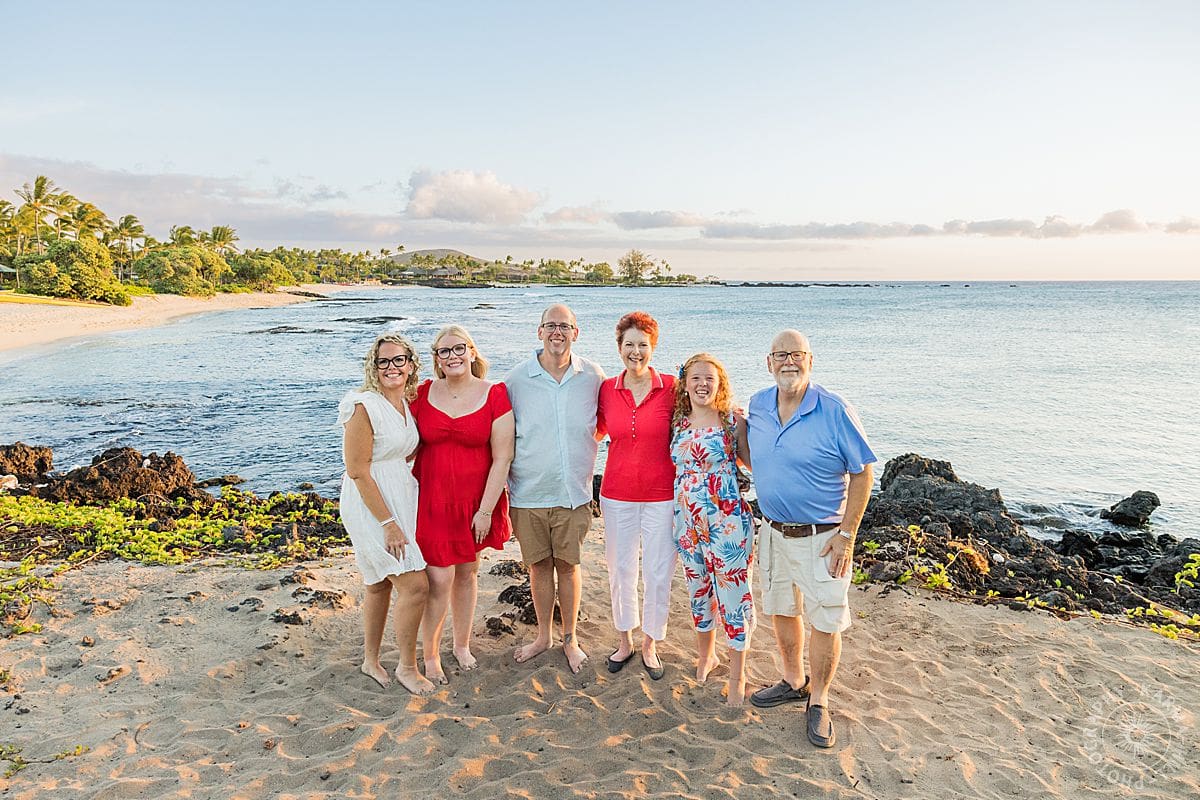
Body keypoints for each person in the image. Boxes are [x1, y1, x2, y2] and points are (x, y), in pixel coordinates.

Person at [745, 329, 876, 748]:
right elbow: (752, 456)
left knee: (825, 619)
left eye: (796, 355)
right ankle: (792, 679)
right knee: (782, 608)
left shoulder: (835, 409)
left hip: (823, 538)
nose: (789, 362)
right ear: (768, 363)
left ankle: (818, 699)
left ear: (810, 361)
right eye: (780, 355)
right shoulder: (758, 405)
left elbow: (863, 473)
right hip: (772, 531)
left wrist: (848, 536)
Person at [410, 324, 514, 684]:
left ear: (472, 352)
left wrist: (485, 511)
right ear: (436, 359)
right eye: (444, 351)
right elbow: (399, 434)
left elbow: (503, 457)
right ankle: (432, 654)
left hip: (475, 503)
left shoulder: (495, 393)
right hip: (432, 502)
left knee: (468, 573)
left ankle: (462, 645)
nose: (452, 356)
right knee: (439, 579)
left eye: (459, 349)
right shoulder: (422, 393)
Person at [505, 304, 605, 674]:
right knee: (538, 567)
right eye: (550, 326)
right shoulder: (516, 379)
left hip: (573, 492)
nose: (557, 332)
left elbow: (611, 418)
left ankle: (570, 639)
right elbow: (500, 433)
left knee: (569, 566)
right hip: (528, 492)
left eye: (565, 326)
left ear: (576, 333)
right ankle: (543, 636)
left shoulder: (592, 375)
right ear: (539, 332)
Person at [337, 333, 435, 695]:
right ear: (373, 368)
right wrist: (388, 523)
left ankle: (370, 660)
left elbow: (401, 454)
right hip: (371, 504)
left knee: (378, 584)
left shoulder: (405, 404)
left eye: (399, 360)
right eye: (384, 361)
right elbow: (358, 470)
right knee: (415, 585)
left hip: (401, 495)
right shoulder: (362, 405)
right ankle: (407, 668)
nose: (392, 367)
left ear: (410, 365)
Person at [671, 353, 756, 706]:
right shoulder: (677, 421)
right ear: (685, 383)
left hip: (728, 523)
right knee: (698, 590)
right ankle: (706, 655)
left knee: (735, 596)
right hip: (687, 522)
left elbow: (754, 462)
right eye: (696, 378)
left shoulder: (732, 420)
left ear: (719, 384)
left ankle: (738, 676)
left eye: (710, 379)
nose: (702, 384)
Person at [596, 311, 677, 680]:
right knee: (620, 568)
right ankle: (624, 640)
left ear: (653, 347)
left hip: (662, 494)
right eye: (629, 345)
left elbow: (707, 414)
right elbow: (592, 432)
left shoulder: (673, 389)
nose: (635, 352)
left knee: (659, 571)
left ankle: (650, 644)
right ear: (619, 348)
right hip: (616, 494)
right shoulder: (606, 390)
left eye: (642, 345)